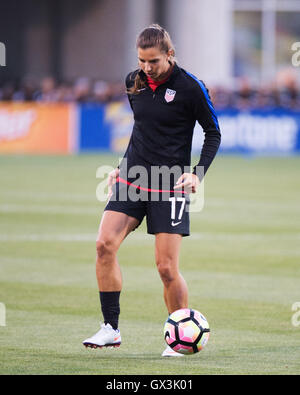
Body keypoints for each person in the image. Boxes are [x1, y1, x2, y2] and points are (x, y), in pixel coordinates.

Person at [83, 24, 221, 357]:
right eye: (142, 61)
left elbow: (213, 133)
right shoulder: (134, 82)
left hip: (170, 183)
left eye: (154, 61)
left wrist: (197, 174)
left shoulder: (191, 87)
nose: (147, 68)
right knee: (104, 245)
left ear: (170, 55)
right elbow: (142, 130)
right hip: (132, 177)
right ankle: (110, 330)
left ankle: (179, 335)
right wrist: (123, 163)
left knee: (166, 268)